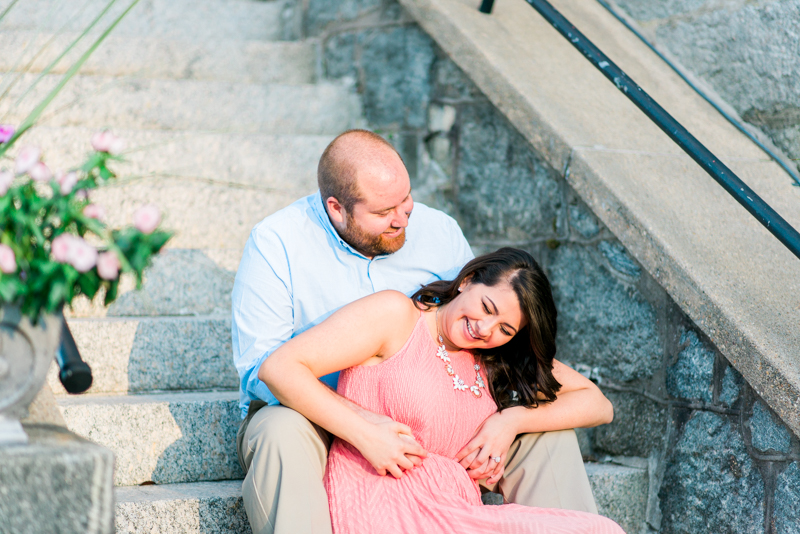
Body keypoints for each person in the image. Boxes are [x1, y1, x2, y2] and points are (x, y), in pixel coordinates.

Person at [232, 129, 610, 534]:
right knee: (281, 431)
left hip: (433, 422)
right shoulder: (277, 242)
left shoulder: (439, 231)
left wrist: (511, 419)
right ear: (337, 209)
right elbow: (265, 371)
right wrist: (360, 423)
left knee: (546, 431)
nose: (402, 219)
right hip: (310, 410)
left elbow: (478, 326)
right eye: (383, 213)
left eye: (406, 202)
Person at [258, 248, 621, 534]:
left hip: (458, 513)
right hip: (380, 498)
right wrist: (365, 432)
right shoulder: (397, 317)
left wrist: (510, 420)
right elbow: (279, 368)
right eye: (487, 307)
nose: (484, 328)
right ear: (467, 281)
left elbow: (598, 405)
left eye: (505, 328)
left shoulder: (495, 359)